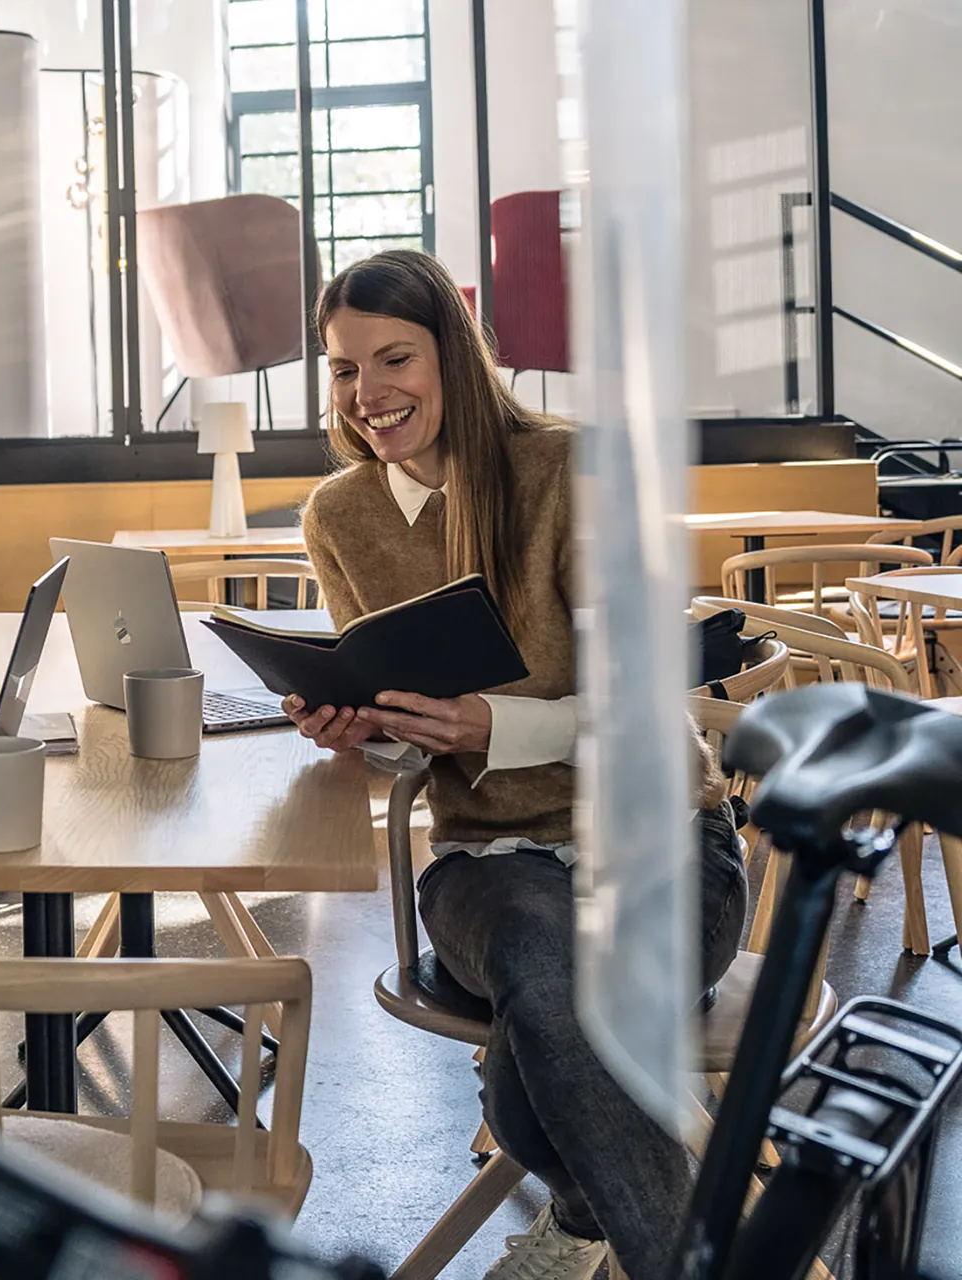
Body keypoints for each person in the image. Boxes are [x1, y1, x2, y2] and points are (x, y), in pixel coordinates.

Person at [289, 250, 745, 1280]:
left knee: (540, 1041)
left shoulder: (572, 472)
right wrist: (364, 729)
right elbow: (408, 725)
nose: (368, 394)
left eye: (393, 357)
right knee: (549, 976)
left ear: (455, 348)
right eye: (342, 368)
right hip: (490, 857)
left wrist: (492, 726)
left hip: (664, 838)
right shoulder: (341, 516)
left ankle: (588, 1218)